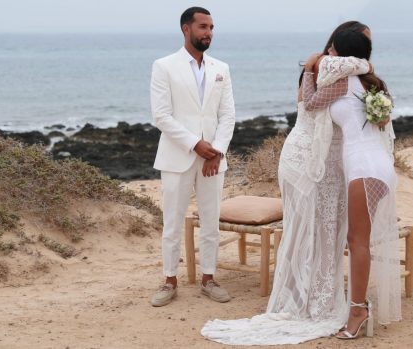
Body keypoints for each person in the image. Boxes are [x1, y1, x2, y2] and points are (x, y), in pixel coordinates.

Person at [200, 22, 373, 345]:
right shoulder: (332, 71)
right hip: (310, 162)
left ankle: (313, 291)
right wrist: (341, 64)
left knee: (320, 230)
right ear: (344, 47)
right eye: (365, 43)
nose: (368, 51)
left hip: (320, 160)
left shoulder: (322, 68)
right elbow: (313, 103)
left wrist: (316, 65)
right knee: (312, 229)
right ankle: (311, 299)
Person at [303, 28, 402, 339]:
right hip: (376, 166)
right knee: (359, 239)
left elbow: (310, 103)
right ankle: (358, 307)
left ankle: (358, 310)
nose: (328, 54)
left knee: (357, 241)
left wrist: (308, 71)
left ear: (341, 53)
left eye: (333, 49)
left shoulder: (342, 80)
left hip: (364, 166)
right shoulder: (371, 83)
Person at [149, 6, 235, 307]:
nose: (208, 32)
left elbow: (228, 116)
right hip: (177, 157)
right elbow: (161, 115)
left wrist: (216, 151)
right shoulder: (164, 66)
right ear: (186, 29)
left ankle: (209, 278)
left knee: (211, 221)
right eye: (202, 27)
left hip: (213, 159)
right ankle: (169, 280)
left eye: (211, 27)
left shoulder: (221, 69)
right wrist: (195, 144)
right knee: (172, 222)